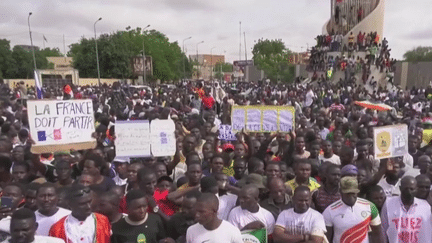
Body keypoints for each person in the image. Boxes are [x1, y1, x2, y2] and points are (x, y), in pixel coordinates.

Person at [323, 177, 383, 243]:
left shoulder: (370, 207)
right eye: (348, 194)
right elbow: (327, 238)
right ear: (340, 191)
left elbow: (377, 234)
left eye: (353, 193)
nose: (351, 197)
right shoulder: (330, 211)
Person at [381, 176, 432, 242]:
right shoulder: (389, 203)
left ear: (416, 189)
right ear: (400, 188)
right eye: (406, 189)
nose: (409, 192)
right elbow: (383, 230)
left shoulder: (425, 206)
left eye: (412, 189)